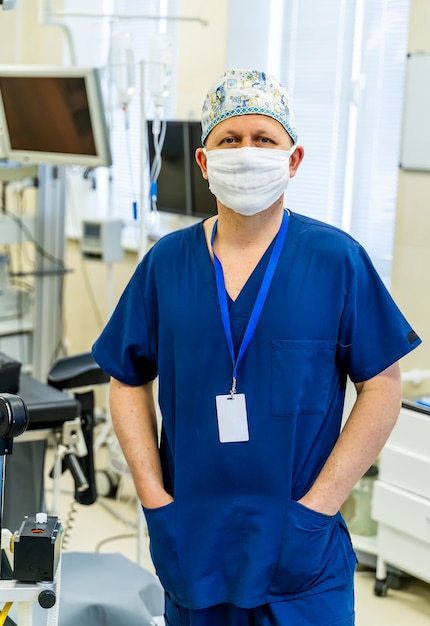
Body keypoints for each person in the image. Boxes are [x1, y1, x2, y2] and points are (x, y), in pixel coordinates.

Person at [92, 69, 421, 625]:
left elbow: (381, 388)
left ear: (292, 160)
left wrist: (318, 510)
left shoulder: (336, 261)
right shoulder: (165, 265)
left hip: (302, 558)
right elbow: (126, 377)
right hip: (193, 544)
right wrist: (153, 499)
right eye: (230, 140)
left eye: (264, 140)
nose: (246, 153)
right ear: (203, 162)